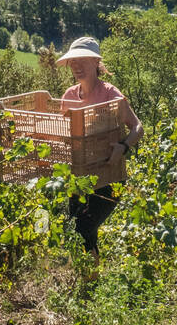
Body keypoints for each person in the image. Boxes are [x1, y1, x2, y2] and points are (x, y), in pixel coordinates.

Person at [54, 36, 143, 259]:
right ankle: (89, 284)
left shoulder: (110, 94)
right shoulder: (69, 96)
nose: (76, 65)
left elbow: (138, 127)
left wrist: (123, 147)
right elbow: (65, 135)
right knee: (79, 232)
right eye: (73, 61)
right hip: (80, 178)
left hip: (109, 177)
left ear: (95, 62)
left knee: (83, 228)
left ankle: (91, 284)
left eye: (82, 60)